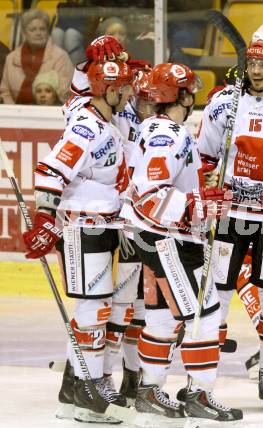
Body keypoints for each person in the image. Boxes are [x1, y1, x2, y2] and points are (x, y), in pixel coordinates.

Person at [120, 62, 243, 423]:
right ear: (180, 96)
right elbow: (149, 194)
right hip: (166, 239)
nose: (193, 96)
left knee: (160, 317)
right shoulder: (167, 134)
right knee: (205, 315)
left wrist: (200, 196)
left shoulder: (159, 128)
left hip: (153, 236)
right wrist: (198, 204)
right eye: (189, 90)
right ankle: (199, 395)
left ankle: (149, 390)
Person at [22, 59, 135, 424]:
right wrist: (43, 217)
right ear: (108, 90)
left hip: (103, 226)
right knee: (94, 310)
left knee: (100, 309)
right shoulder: (87, 127)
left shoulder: (108, 123)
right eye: (124, 88)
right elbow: (52, 170)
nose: (129, 92)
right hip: (83, 228)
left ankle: (74, 389)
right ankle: (87, 391)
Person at [197, 38, 263, 406]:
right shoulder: (224, 102)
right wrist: (207, 185)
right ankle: (204, 377)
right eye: (252, 63)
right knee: (218, 294)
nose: (257, 70)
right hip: (233, 214)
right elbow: (205, 155)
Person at [0, 9, 74, 104]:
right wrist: (14, 112)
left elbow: (65, 94)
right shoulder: (11, 58)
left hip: (50, 112)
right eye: (33, 29)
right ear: (24, 32)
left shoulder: (60, 56)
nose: (38, 33)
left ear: (48, 31)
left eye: (42, 29)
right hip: (15, 113)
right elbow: (5, 92)